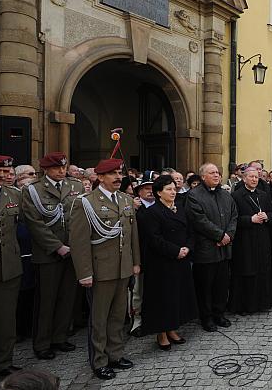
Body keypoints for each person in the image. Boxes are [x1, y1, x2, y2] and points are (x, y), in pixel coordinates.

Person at [69, 158, 140, 380]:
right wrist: (84, 273)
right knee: (99, 319)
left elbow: (132, 236)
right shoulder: (85, 202)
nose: (118, 177)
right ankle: (99, 361)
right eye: (112, 174)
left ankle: (115, 355)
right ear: (100, 177)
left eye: (119, 173)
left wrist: (135, 262)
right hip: (100, 270)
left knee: (118, 316)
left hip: (123, 268)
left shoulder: (126, 200)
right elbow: (79, 242)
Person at [20, 152, 82, 360]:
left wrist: (75, 245)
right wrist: (57, 246)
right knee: (46, 300)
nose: (61, 171)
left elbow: (80, 218)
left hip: (73, 250)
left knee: (67, 297)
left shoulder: (75, 186)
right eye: (57, 168)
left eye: (64, 167)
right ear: (46, 169)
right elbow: (35, 223)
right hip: (47, 253)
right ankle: (42, 343)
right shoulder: (33, 190)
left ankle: (60, 337)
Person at [138, 175, 197, 350]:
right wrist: (175, 251)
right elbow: (154, 239)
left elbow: (190, 231)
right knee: (162, 298)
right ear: (158, 193)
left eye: (174, 189)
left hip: (181, 260)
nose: (173, 192)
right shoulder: (152, 213)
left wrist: (187, 247)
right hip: (162, 262)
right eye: (168, 189)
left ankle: (172, 328)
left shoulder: (180, 208)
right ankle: (161, 333)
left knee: (176, 296)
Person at [186, 163, 238, 332]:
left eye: (217, 172)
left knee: (221, 285)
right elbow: (199, 221)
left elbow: (234, 216)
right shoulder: (193, 196)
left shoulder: (225, 195)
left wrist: (228, 235)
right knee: (205, 286)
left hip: (224, 249)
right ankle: (206, 317)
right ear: (202, 177)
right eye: (212, 173)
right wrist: (219, 236)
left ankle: (219, 314)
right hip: (206, 250)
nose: (217, 175)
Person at [0, 154, 23, 379]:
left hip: (8, 266)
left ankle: (1, 363)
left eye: (5, 171)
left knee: (6, 320)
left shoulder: (14, 194)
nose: (2, 175)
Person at [230, 167, 272, 314]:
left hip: (262, 238)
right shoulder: (236, 196)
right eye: (251, 177)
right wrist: (250, 219)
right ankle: (245, 305)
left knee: (263, 269)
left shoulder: (263, 194)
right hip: (245, 240)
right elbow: (233, 219)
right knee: (247, 270)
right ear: (244, 179)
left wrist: (267, 217)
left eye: (256, 177)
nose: (254, 179)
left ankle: (263, 303)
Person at [129, 179, 154, 337]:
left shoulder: (160, 206)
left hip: (154, 255)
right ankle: (136, 321)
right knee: (136, 291)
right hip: (138, 255)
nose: (150, 191)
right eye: (146, 189)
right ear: (139, 192)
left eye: (152, 188)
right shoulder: (134, 208)